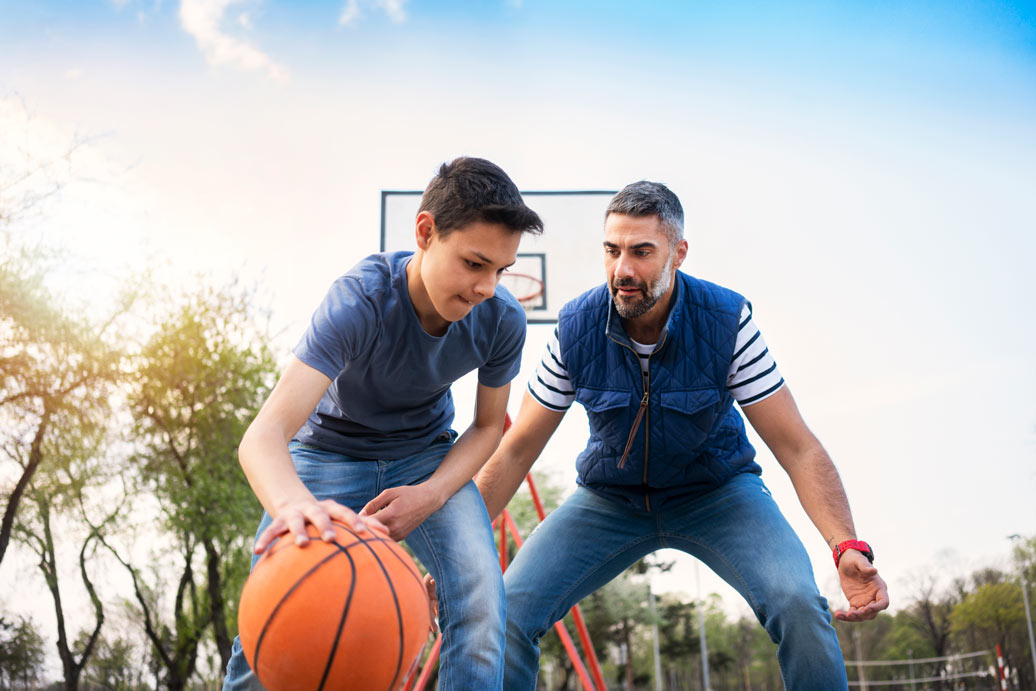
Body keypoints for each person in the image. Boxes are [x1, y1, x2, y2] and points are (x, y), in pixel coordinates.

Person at [477, 181, 889, 690]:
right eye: (612, 251)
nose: (623, 270)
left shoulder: (727, 323)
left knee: (798, 602)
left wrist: (847, 546)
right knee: (508, 612)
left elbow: (798, 448)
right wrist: (464, 547)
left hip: (717, 493)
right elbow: (516, 449)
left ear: (679, 252)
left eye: (641, 252)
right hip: (611, 499)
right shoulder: (575, 329)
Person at [222, 156, 544, 690]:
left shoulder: (502, 319)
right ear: (425, 232)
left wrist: (432, 494)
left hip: (424, 456)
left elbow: (489, 427)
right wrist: (295, 507)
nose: (487, 286)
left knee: (483, 601)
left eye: (501, 270)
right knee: (278, 605)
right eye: (474, 263)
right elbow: (263, 435)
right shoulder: (360, 300)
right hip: (326, 451)